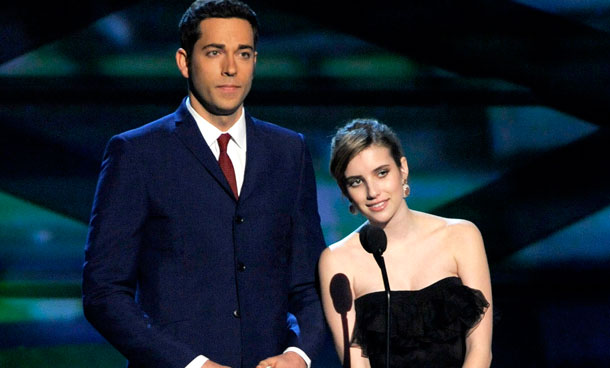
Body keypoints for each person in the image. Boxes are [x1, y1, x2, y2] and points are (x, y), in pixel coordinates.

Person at [81, 1, 326, 368]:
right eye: (215, 53)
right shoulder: (136, 153)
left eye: (243, 53)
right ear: (184, 61)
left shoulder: (289, 150)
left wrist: (299, 354)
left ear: (255, 61)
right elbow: (104, 292)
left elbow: (309, 283)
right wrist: (191, 364)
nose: (231, 68)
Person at [318, 119, 493, 368]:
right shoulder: (337, 260)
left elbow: (480, 350)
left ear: (402, 169)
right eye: (356, 181)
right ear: (344, 190)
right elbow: (356, 365)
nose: (372, 192)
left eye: (381, 173)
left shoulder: (461, 236)